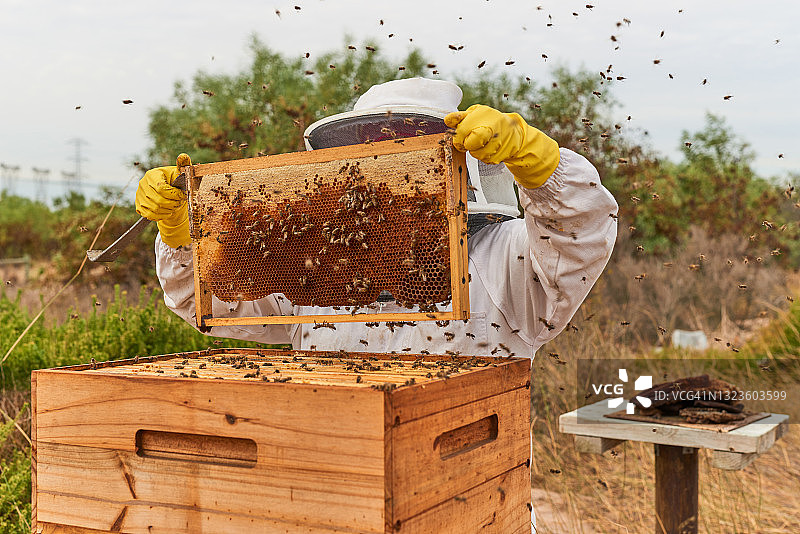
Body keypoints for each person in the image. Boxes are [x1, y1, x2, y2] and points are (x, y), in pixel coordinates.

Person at [136, 77, 618, 530]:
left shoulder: (505, 256)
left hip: (472, 509)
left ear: (461, 167)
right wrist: (186, 240)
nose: (388, 177)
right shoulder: (316, 266)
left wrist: (543, 167)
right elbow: (219, 306)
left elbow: (579, 238)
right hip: (335, 497)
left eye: (405, 156)